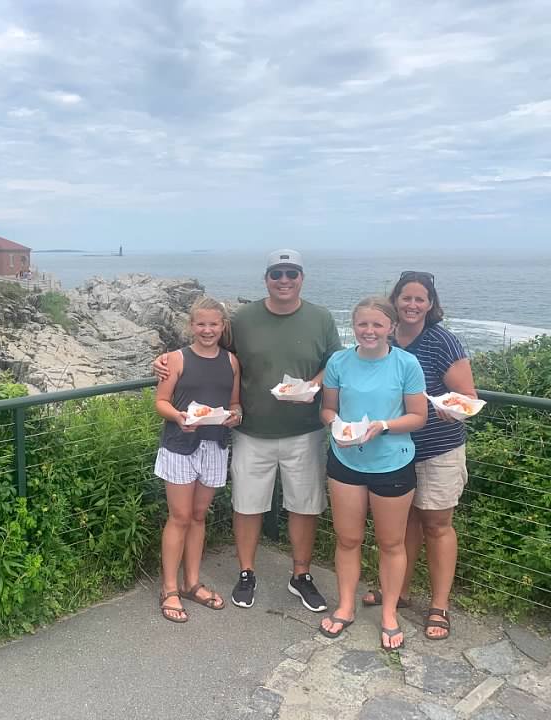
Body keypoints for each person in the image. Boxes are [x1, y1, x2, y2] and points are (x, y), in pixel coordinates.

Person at [155, 249, 342, 612]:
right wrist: (162, 359)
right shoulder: (242, 319)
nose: (284, 280)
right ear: (266, 278)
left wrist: (315, 385)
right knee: (247, 505)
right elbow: (206, 350)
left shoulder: (320, 317)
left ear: (302, 277)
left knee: (304, 506)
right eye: (277, 274)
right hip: (250, 432)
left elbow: (336, 360)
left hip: (304, 430)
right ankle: (245, 573)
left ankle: (301, 575)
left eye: (291, 273)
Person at [361, 271, 477, 640]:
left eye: (419, 299)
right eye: (406, 298)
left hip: (437, 449)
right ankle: (400, 592)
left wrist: (451, 408)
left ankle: (439, 606)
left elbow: (468, 397)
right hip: (396, 449)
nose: (412, 305)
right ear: (395, 301)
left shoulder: (443, 342)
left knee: (437, 525)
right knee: (404, 526)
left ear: (430, 304)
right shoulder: (387, 335)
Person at [318, 297, 427, 650]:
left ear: (391, 327)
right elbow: (328, 409)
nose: (369, 331)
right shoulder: (338, 361)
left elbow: (418, 417)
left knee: (391, 543)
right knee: (347, 539)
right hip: (345, 461)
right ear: (353, 326)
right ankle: (345, 606)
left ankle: (389, 614)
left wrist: (383, 425)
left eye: (377, 324)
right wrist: (336, 426)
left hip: (392, 463)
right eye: (362, 324)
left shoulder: (406, 363)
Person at [154, 296, 242, 622]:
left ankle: (192, 582)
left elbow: (235, 404)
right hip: (180, 444)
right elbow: (161, 402)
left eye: (213, 324)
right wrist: (178, 416)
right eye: (201, 324)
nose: (207, 330)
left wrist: (235, 416)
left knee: (199, 515)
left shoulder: (232, 362)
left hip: (215, 445)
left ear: (223, 326)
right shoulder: (175, 359)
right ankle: (169, 588)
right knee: (179, 516)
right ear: (191, 325)